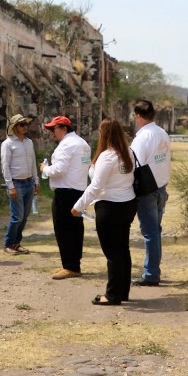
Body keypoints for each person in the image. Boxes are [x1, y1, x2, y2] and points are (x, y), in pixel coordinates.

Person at [72, 117, 137, 305]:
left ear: (104, 134)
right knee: (122, 249)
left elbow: (95, 187)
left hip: (110, 207)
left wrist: (78, 206)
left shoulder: (108, 156)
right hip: (127, 204)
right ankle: (122, 291)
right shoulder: (128, 153)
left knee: (113, 253)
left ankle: (112, 295)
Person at [39, 115, 91, 280]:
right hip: (79, 190)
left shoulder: (66, 145)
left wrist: (45, 169)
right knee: (76, 228)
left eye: (53, 129)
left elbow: (59, 169)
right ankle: (73, 262)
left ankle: (70, 265)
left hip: (65, 191)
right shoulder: (82, 143)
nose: (52, 133)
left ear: (63, 128)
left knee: (63, 229)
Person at [130, 98, 171, 286]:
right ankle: (154, 269)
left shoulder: (143, 136)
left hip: (147, 189)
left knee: (150, 233)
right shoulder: (162, 132)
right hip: (161, 186)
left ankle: (151, 273)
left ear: (138, 117)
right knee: (155, 231)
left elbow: (134, 162)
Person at [0, 113, 38, 255]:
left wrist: (36, 181)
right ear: (14, 127)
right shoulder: (7, 144)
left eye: (26, 124)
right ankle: (8, 244)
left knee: (25, 215)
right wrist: (10, 186)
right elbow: (5, 166)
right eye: (22, 125)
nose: (25, 127)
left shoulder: (29, 142)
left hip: (29, 182)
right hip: (16, 183)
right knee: (17, 216)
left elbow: (33, 162)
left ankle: (16, 243)